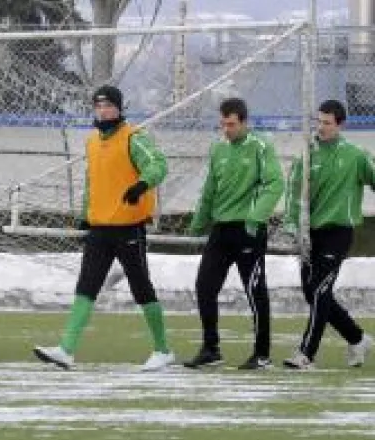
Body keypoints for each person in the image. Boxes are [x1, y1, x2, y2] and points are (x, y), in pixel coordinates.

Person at [33, 85, 174, 371]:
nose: (103, 110)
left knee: (141, 287)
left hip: (129, 227)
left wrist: (141, 185)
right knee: (86, 286)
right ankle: (66, 350)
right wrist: (86, 214)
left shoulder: (135, 138)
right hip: (100, 228)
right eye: (98, 106)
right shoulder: (92, 141)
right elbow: (92, 181)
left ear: (119, 108)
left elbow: (158, 165)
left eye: (108, 105)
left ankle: (163, 350)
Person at [185, 97, 284, 370]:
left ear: (243, 122)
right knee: (204, 286)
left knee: (254, 291)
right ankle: (211, 349)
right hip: (221, 229)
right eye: (223, 124)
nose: (226, 129)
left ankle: (262, 354)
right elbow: (209, 190)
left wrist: (256, 217)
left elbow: (275, 184)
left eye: (231, 124)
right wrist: (198, 223)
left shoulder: (260, 147)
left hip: (249, 231)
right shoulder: (218, 150)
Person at [283, 99, 374, 369]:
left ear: (340, 125)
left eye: (327, 123)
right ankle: (357, 339)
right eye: (319, 121)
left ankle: (305, 354)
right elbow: (294, 193)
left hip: (339, 232)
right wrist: (291, 226)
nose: (321, 127)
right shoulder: (307, 154)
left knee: (320, 289)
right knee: (312, 293)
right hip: (310, 234)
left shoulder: (355, 155)